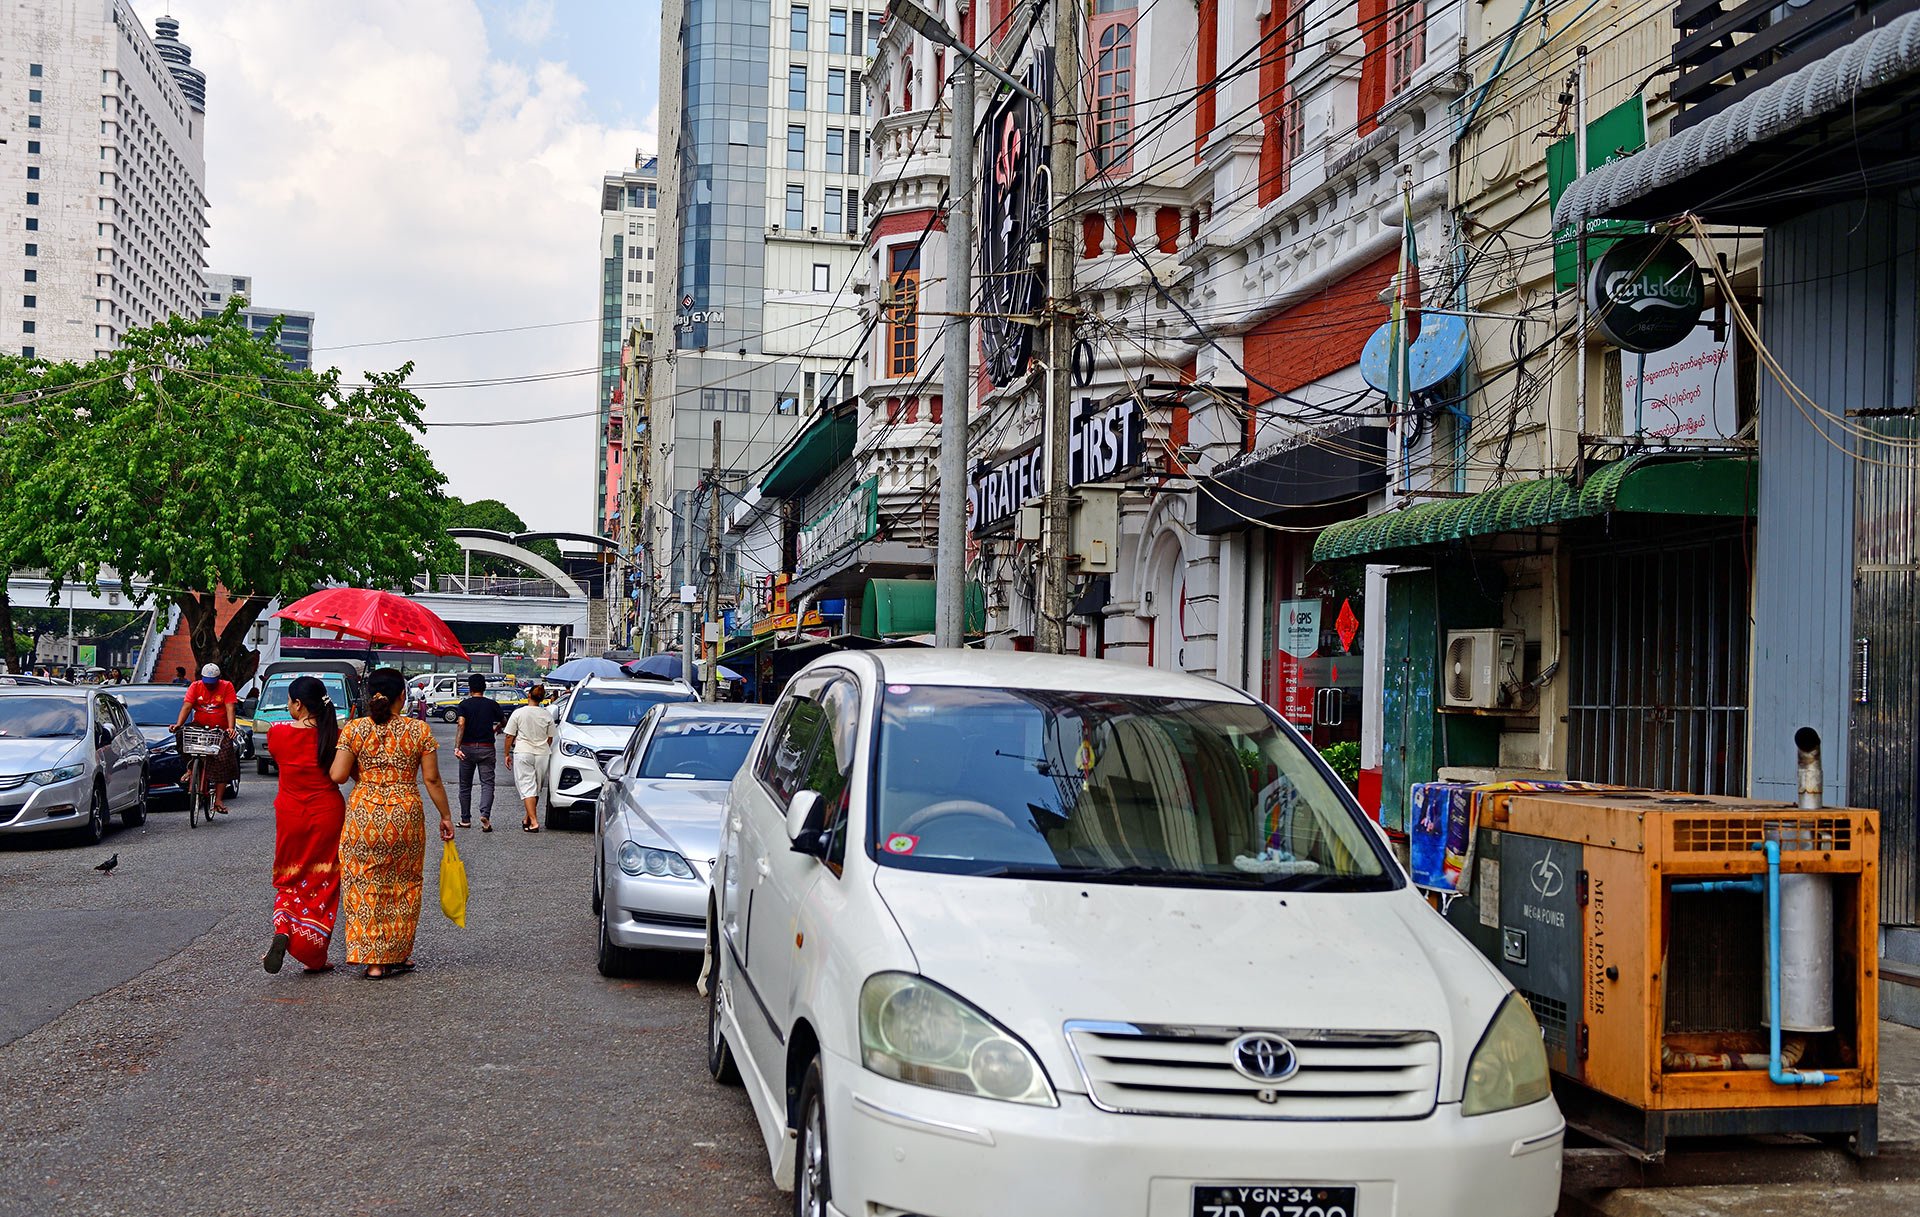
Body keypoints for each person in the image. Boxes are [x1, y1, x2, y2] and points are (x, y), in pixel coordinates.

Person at [329, 668, 455, 980]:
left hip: (364, 814)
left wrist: (367, 777)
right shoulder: (419, 731)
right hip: (405, 815)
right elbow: (432, 779)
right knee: (404, 884)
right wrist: (446, 816)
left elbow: (337, 776)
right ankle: (397, 953)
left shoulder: (354, 729)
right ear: (403, 695)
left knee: (363, 883)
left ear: (370, 693)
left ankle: (372, 960)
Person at [263, 676, 346, 974]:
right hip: (327, 813)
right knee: (322, 879)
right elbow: (343, 773)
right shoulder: (336, 735)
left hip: (290, 815)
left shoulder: (277, 734)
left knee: (289, 876)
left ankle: (284, 923)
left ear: (298, 704)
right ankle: (313, 953)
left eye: (289, 701)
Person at [172, 663, 239, 815]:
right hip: (199, 725)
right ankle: (190, 768)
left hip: (219, 729)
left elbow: (230, 708)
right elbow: (187, 707)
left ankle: (219, 800)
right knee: (182, 736)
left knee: (224, 757)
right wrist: (178, 724)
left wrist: (230, 728)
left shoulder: (227, 686)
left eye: (212, 683)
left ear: (218, 679)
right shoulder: (195, 686)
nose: (209, 686)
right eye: (206, 682)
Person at [453, 674, 507, 831]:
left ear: (470, 688)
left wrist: (457, 746)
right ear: (484, 687)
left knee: (465, 785)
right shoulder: (492, 704)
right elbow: (503, 721)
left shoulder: (464, 704)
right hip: (487, 748)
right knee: (487, 783)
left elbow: (461, 724)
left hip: (467, 748)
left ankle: (465, 820)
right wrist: (497, 728)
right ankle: (485, 815)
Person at [503, 683, 555, 833]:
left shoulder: (519, 713)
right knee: (536, 787)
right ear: (542, 698)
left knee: (527, 787)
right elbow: (550, 738)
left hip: (523, 752)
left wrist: (506, 754)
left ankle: (534, 821)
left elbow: (509, 736)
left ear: (529, 695)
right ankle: (527, 818)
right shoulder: (547, 715)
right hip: (542, 753)